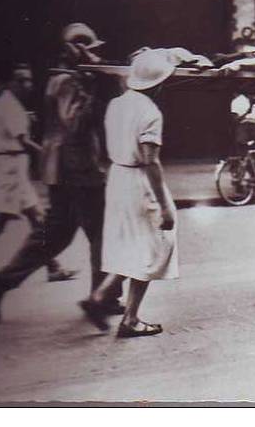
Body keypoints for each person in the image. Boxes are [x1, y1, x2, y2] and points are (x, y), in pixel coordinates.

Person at [0, 23, 124, 322]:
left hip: (64, 169)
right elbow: (74, 124)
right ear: (75, 50)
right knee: (101, 233)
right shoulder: (65, 82)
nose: (94, 56)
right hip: (78, 169)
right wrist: (93, 84)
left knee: (54, 236)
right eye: (89, 50)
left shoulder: (69, 80)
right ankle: (102, 298)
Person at [79, 49, 178, 338]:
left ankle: (103, 296)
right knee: (155, 246)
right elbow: (151, 160)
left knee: (134, 246)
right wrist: (165, 206)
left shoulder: (116, 104)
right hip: (138, 181)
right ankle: (128, 316)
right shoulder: (150, 112)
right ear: (159, 84)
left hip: (117, 177)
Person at [0, 61, 78, 292]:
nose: (28, 84)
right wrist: (48, 155)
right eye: (21, 80)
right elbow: (23, 140)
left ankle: (53, 267)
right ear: (10, 82)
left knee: (38, 220)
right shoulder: (8, 105)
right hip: (8, 170)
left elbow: (17, 132)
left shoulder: (7, 103)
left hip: (15, 168)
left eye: (29, 79)